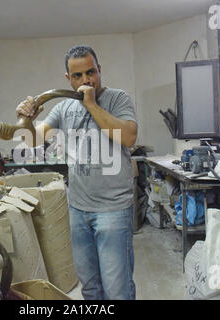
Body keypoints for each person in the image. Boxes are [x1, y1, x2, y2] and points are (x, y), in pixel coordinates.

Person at [16, 45, 138, 300]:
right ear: (68, 79)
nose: (86, 80)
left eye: (90, 72)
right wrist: (27, 118)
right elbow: (31, 140)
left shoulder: (118, 99)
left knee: (118, 290)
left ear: (99, 70)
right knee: (90, 288)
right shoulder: (63, 108)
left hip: (113, 210)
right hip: (78, 209)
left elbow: (127, 136)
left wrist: (91, 104)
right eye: (78, 76)